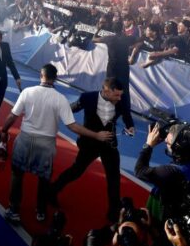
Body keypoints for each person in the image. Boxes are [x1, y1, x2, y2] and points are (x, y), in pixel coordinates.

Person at [0, 64, 119, 223]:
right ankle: (41, 211)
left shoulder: (27, 92)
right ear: (55, 78)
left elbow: (12, 116)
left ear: (41, 76)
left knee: (17, 174)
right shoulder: (60, 99)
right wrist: (96, 135)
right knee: (43, 178)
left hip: (25, 139)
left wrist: (4, 131)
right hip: (46, 143)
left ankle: (14, 210)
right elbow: (73, 126)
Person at [49, 77, 135, 222]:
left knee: (114, 178)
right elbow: (70, 110)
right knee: (76, 171)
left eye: (121, 95)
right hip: (89, 142)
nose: (120, 98)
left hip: (109, 143)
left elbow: (127, 115)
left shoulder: (122, 99)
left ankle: (113, 214)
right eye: (116, 95)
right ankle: (52, 191)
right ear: (106, 90)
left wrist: (130, 126)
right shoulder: (87, 98)